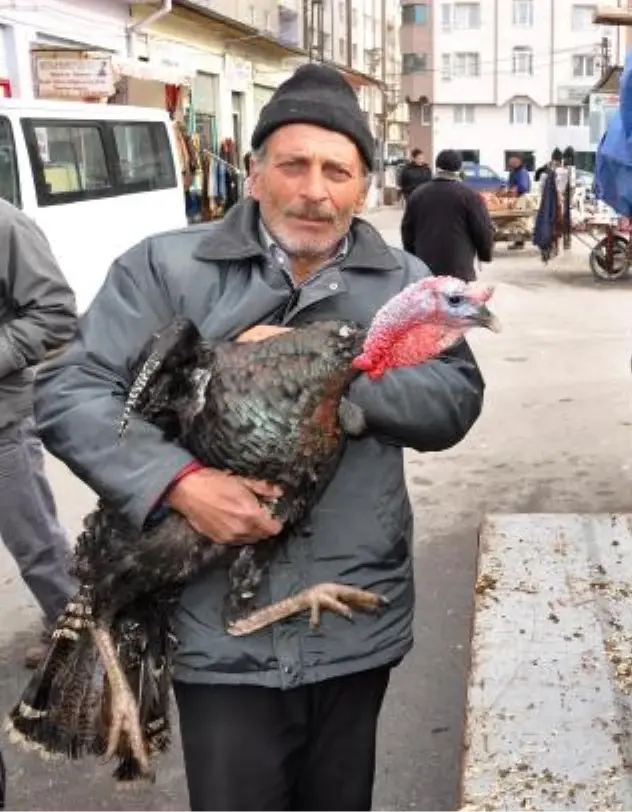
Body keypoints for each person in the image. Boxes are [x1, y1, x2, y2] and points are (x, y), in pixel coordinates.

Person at [33, 64, 486, 812]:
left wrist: (329, 373)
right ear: (253, 173)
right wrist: (176, 482)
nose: (315, 190)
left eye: (337, 170)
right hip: (218, 631)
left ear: (363, 187)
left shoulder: (403, 281)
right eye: (294, 164)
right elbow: (70, 391)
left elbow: (455, 400)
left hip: (354, 614)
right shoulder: (165, 268)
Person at [0, 197, 79, 670]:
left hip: (2, 424)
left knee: (37, 548)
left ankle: (79, 638)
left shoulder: (6, 225)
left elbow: (55, 314)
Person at [400, 149, 494, 282]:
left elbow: (407, 229)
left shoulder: (417, 194)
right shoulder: (469, 196)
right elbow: (483, 228)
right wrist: (485, 254)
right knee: (455, 302)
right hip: (458, 266)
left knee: (429, 301)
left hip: (424, 265)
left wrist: (411, 256)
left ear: (437, 166)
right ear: (459, 168)